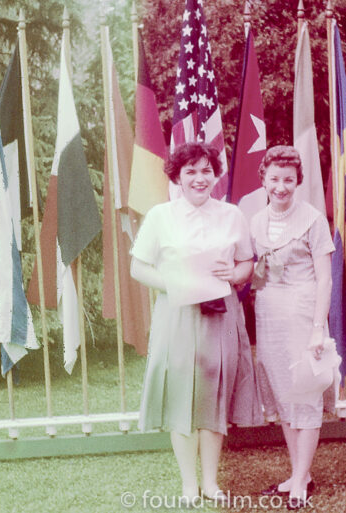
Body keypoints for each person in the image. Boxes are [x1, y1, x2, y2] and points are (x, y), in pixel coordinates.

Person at [130, 142, 263, 504]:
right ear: (178, 176)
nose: (199, 178)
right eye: (190, 171)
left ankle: (210, 482)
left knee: (213, 395)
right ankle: (189, 483)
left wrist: (235, 272)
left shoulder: (232, 215)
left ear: (214, 174)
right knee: (180, 397)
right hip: (177, 316)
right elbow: (138, 267)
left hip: (220, 315)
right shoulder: (160, 216)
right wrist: (174, 284)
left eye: (206, 170)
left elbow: (247, 264)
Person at [250, 146, 336, 510]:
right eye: (274, 179)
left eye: (288, 180)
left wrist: (318, 328)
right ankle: (298, 472)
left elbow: (325, 279)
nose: (281, 187)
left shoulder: (313, 220)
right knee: (285, 395)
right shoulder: (255, 221)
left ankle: (301, 480)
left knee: (305, 391)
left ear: (298, 181)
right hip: (268, 312)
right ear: (264, 180)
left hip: (303, 312)